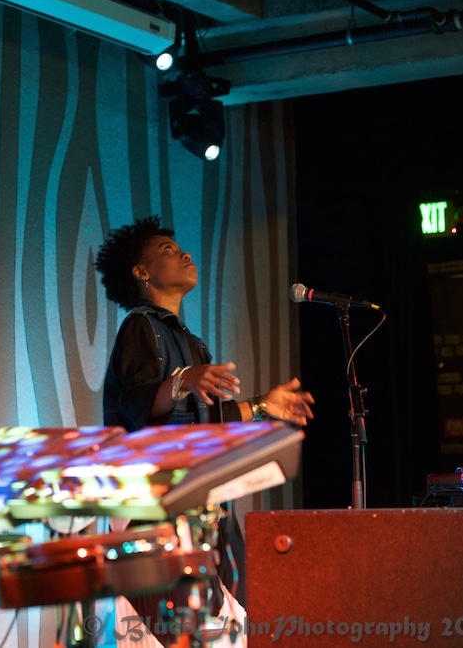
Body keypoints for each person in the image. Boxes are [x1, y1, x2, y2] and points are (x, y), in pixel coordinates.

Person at [94, 215, 315, 644]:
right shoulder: (140, 327)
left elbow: (205, 424)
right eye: (167, 251)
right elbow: (138, 405)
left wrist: (261, 406)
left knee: (234, 625)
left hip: (200, 505)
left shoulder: (193, 345)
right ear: (141, 273)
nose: (184, 254)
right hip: (154, 510)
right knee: (179, 631)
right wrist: (181, 382)